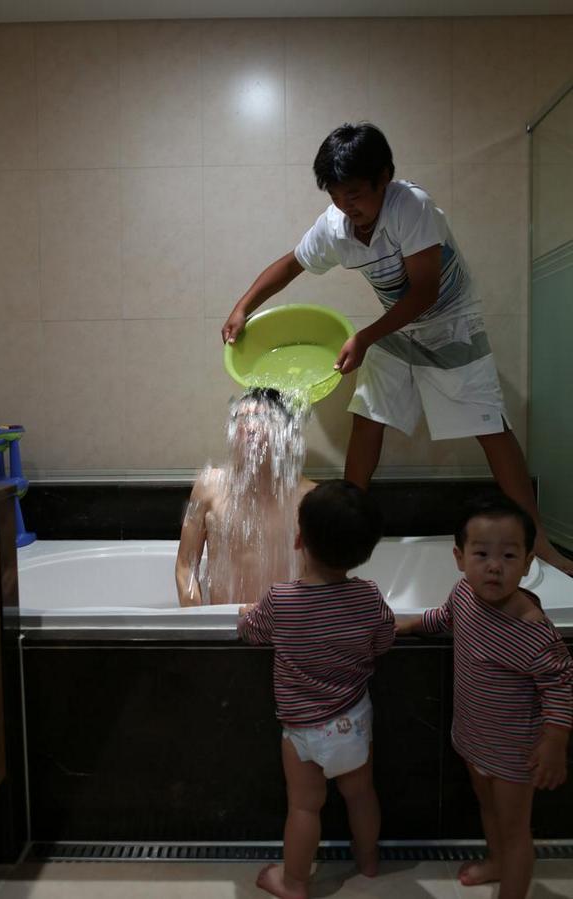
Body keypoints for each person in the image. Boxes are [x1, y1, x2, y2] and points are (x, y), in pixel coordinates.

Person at [221, 122, 572, 576]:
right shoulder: (335, 227)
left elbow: (425, 293)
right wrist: (242, 307)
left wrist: (365, 337)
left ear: (384, 176)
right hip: (398, 328)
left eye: (356, 195)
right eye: (336, 197)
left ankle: (537, 539)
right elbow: (291, 264)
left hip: (451, 323)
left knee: (488, 423)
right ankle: (343, 536)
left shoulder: (412, 208)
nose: (348, 208)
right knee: (368, 416)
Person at [397, 496, 573, 899]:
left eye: (509, 555)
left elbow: (561, 684)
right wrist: (406, 625)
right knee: (488, 810)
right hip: (475, 737)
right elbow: (442, 618)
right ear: (460, 558)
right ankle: (496, 861)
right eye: (482, 554)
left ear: (529, 564)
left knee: (515, 832)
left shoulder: (533, 630)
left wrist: (555, 741)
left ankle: (511, 881)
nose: (494, 566)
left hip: (515, 752)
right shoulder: (465, 594)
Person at [238, 480, 395, 899]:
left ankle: (292, 882)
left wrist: (244, 614)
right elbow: (383, 641)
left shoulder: (281, 599)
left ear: (298, 541)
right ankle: (368, 861)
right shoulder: (368, 596)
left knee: (305, 806)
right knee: (361, 794)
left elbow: (252, 633)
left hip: (304, 729)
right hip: (354, 718)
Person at [175, 387, 315, 606]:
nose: (250, 427)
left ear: (285, 433)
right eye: (243, 418)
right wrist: (197, 619)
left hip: (284, 629)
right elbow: (186, 565)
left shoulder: (310, 497)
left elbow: (326, 577)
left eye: (263, 418)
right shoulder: (208, 485)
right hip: (222, 626)